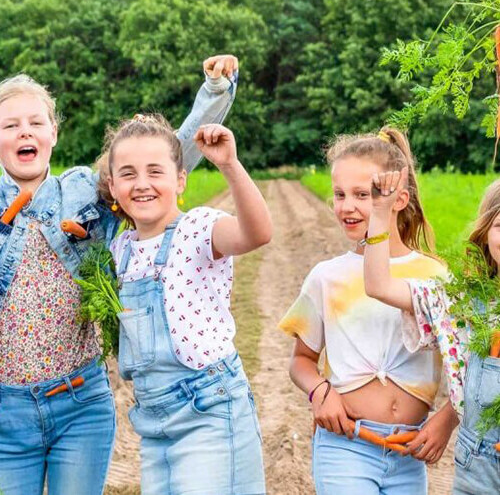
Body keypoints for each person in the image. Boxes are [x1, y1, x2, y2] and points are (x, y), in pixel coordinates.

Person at [0, 54, 238, 495]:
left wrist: (215, 93)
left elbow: (169, 154)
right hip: (5, 416)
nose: (24, 131)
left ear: (54, 131)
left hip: (79, 404)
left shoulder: (86, 191)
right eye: (10, 125)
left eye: (35, 122)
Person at [278, 128, 457, 494]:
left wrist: (446, 421)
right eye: (340, 194)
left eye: (364, 195)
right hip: (346, 447)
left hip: (410, 452)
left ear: (399, 199)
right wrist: (319, 393)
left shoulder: (435, 276)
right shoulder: (326, 276)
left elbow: (465, 363)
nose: (347, 206)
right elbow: (301, 361)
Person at [101, 115, 271, 495]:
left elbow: (257, 233)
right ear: (112, 187)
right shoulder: (120, 250)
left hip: (206, 407)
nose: (141, 183)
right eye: (127, 174)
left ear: (180, 180)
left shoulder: (198, 228)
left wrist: (229, 164)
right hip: (154, 419)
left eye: (154, 171)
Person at [363, 169, 500, 495]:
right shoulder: (463, 299)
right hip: (477, 472)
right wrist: (380, 214)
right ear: (484, 233)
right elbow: (379, 285)